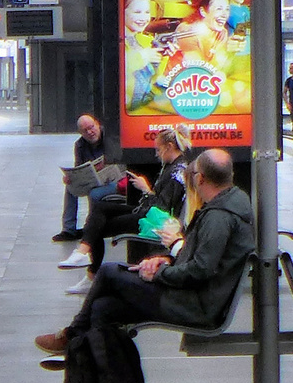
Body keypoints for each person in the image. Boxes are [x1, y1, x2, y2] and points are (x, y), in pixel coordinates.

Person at [34, 148, 255, 383]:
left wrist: (159, 273)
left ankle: (72, 335)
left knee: (108, 272)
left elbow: (200, 271)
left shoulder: (219, 216)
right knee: (104, 308)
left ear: (201, 178)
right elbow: (199, 261)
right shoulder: (227, 205)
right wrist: (166, 260)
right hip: (192, 296)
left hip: (195, 305)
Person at [58, 125, 195, 293]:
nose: (157, 154)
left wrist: (146, 190)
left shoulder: (177, 173)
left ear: (169, 147)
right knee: (100, 209)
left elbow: (162, 208)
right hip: (147, 212)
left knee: (95, 227)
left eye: (158, 150)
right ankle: (83, 252)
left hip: (155, 220)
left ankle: (87, 262)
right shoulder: (172, 166)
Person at [54, 114, 104, 243]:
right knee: (70, 188)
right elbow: (79, 168)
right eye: (84, 131)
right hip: (92, 180)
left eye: (91, 127)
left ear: (97, 124)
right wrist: (71, 177)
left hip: (111, 181)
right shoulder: (80, 145)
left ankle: (91, 227)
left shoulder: (110, 138)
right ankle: (68, 229)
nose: (90, 132)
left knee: (95, 193)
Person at [170, 0, 236, 72]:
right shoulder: (187, 32)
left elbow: (219, 69)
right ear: (203, 12)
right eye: (219, 9)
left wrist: (231, 52)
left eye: (227, 9)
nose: (224, 15)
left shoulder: (222, 33)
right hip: (177, 81)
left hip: (204, 81)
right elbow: (196, 71)